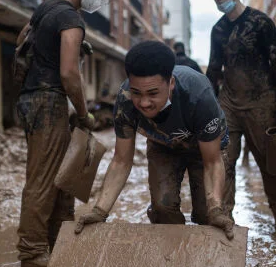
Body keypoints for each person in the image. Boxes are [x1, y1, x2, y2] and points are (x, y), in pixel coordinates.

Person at [75, 41, 234, 238]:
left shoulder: (199, 96)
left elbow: (212, 162)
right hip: (163, 145)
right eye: (137, 93)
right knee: (162, 207)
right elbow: (121, 161)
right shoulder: (125, 100)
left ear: (171, 84)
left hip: (205, 149)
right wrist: (99, 211)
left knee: (208, 216)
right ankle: (173, 260)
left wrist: (216, 210)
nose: (143, 103)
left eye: (153, 94)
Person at [15, 0, 109, 267]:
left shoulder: (45, 9)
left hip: (31, 98)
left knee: (58, 176)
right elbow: (69, 74)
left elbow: (22, 41)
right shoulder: (71, 18)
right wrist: (84, 113)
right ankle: (31, 249)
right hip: (49, 100)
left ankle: (58, 242)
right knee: (43, 178)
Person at [205, 0, 276, 233]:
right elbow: (213, 70)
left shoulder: (260, 22)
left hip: (262, 104)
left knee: (270, 166)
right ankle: (225, 222)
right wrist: (206, 104)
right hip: (229, 106)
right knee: (223, 164)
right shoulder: (218, 30)